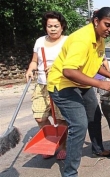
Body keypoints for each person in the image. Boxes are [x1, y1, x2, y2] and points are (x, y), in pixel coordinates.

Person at [47, 7, 110, 177]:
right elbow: (69, 71)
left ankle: (98, 149)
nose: (109, 30)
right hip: (62, 84)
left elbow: (95, 64)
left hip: (81, 82)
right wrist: (100, 85)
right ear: (96, 21)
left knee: (95, 115)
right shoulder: (82, 39)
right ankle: (70, 173)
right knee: (79, 125)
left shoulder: (100, 38)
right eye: (107, 25)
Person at [25, 11, 68, 160]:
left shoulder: (67, 42)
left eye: (56, 26)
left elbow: (73, 63)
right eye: (50, 26)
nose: (53, 29)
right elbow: (35, 61)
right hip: (42, 84)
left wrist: (58, 67)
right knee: (39, 117)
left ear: (62, 27)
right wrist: (31, 69)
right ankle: (51, 141)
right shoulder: (39, 41)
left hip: (60, 84)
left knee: (61, 119)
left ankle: (63, 146)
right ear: (45, 27)